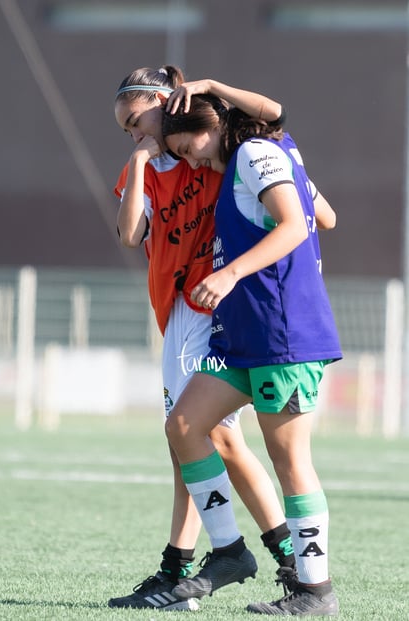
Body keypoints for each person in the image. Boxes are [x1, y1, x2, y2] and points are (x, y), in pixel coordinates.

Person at [108, 66, 298, 612]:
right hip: (176, 314)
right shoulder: (148, 165)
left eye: (136, 122)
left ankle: (183, 568)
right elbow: (129, 234)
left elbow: (273, 116)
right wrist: (140, 161)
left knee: (188, 438)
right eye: (125, 130)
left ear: (169, 105)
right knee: (218, 441)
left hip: (205, 308)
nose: (133, 133)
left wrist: (211, 88)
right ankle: (288, 557)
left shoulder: (211, 146)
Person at [162, 94, 342, 616]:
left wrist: (231, 271)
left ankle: (314, 592)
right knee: (185, 426)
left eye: (189, 146)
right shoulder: (262, 155)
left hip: (281, 335)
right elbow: (324, 215)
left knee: (290, 461)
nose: (192, 160)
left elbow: (295, 224)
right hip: (241, 337)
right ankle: (229, 553)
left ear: (214, 123)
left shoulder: (254, 153)